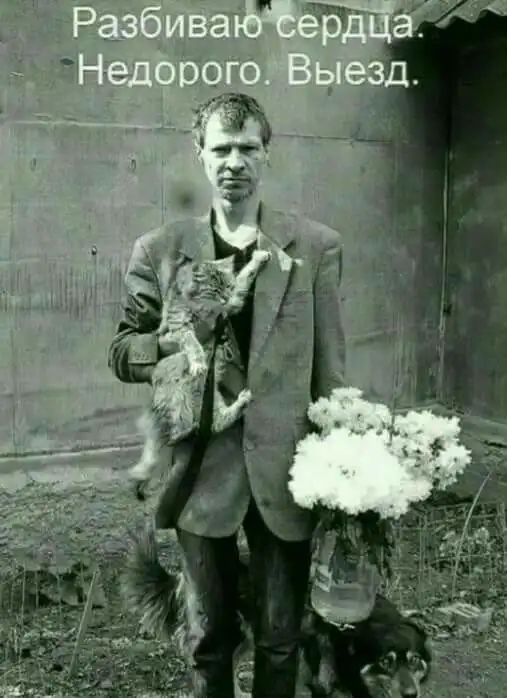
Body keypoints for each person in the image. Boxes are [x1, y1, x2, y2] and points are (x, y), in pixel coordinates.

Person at [108, 92, 346, 698]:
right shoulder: (162, 249)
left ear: (267, 153)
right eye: (220, 149)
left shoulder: (314, 246)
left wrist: (342, 469)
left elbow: (331, 372)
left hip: (287, 472)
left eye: (247, 148)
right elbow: (124, 351)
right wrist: (179, 337)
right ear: (200, 154)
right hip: (201, 472)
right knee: (208, 640)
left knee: (280, 638)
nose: (234, 162)